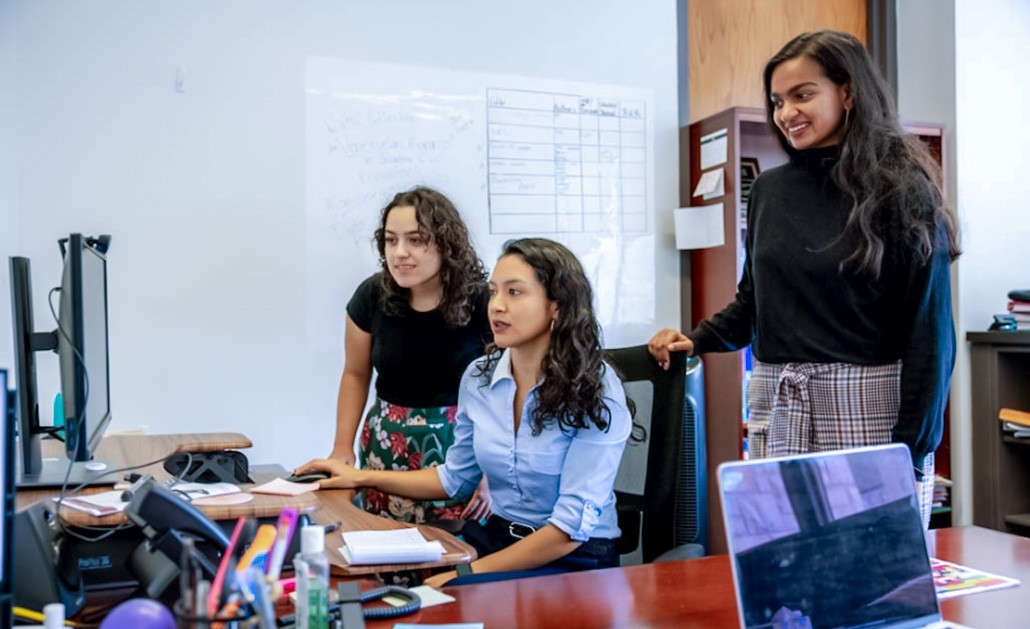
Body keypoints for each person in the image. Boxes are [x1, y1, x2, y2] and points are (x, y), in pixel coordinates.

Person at [649, 30, 959, 527]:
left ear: (849, 93)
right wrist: (697, 339)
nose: (785, 113)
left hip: (869, 414)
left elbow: (932, 333)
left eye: (802, 95)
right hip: (778, 404)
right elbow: (755, 303)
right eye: (776, 101)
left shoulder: (902, 190)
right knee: (783, 584)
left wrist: (911, 450)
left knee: (868, 586)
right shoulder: (769, 190)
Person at [300, 238, 632, 588]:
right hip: (494, 539)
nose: (496, 306)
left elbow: (569, 530)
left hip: (572, 558)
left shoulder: (596, 388)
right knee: (370, 583)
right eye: (494, 292)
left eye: (515, 293)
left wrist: (462, 574)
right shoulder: (479, 377)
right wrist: (362, 477)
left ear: (557, 306)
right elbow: (455, 478)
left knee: (444, 597)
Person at [330, 187, 491, 525]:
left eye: (416, 240)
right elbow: (356, 375)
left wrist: (494, 474)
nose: (400, 253)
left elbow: (508, 395)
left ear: (447, 244)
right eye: (391, 241)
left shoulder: (484, 302)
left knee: (452, 557)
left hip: (461, 450)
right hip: (386, 447)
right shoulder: (371, 294)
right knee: (383, 552)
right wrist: (342, 448)